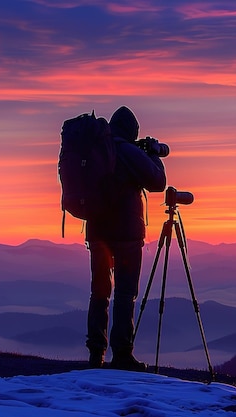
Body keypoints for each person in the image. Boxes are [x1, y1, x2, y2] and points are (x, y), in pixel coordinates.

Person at [85, 106, 167, 371]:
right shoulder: (128, 150)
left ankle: (95, 354)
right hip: (126, 236)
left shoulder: (97, 150)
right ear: (133, 132)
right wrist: (154, 154)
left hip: (97, 233)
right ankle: (122, 354)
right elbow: (157, 182)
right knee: (124, 293)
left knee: (99, 293)